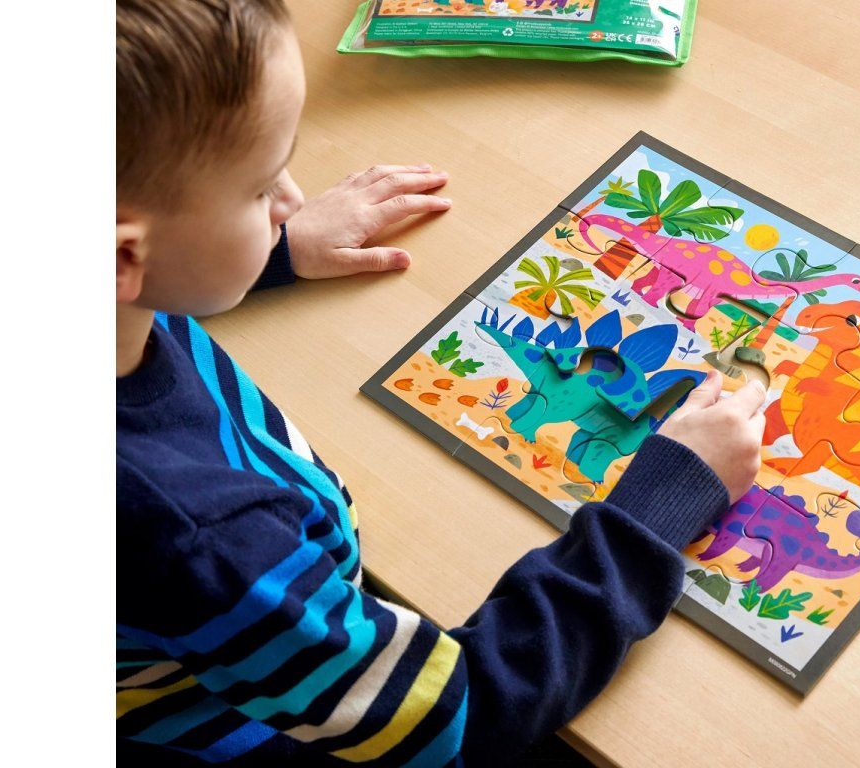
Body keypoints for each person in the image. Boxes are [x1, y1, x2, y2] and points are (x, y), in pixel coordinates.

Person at [116, 1, 766, 764]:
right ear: (123, 258)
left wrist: (271, 249)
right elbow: (465, 718)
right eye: (260, 190)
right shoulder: (208, 546)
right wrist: (656, 511)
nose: (291, 199)